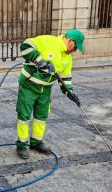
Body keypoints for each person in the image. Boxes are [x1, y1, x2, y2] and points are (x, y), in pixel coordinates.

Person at [16, 29, 84, 159]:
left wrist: (70, 91)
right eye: (76, 47)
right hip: (29, 86)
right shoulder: (48, 41)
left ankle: (36, 143)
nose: (75, 51)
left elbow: (65, 77)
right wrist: (39, 60)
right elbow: (25, 46)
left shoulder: (67, 58)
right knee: (24, 116)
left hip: (45, 90)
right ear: (70, 41)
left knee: (41, 117)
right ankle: (22, 145)